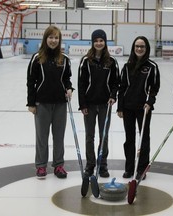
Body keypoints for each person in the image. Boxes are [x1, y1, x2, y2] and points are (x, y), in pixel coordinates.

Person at [26, 25, 73, 179]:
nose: (53, 40)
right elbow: (31, 82)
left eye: (56, 38)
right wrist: (31, 103)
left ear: (59, 40)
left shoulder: (64, 59)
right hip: (42, 104)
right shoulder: (37, 58)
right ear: (46, 39)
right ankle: (41, 166)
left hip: (60, 103)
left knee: (59, 136)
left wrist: (69, 88)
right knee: (42, 137)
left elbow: (67, 78)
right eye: (51, 37)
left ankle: (58, 165)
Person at [78, 29, 119, 178]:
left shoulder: (111, 61)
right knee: (90, 136)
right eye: (96, 40)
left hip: (104, 105)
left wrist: (113, 96)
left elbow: (116, 82)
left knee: (104, 136)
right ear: (92, 42)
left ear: (105, 42)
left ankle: (102, 164)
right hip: (89, 105)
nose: (99, 43)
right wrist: (82, 104)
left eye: (101, 40)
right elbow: (81, 84)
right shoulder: (86, 61)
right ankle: (90, 164)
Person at [117, 36, 160, 180]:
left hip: (144, 108)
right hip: (128, 107)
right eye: (137, 46)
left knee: (144, 139)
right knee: (129, 138)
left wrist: (150, 102)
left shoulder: (152, 67)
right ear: (133, 48)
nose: (139, 49)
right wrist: (120, 107)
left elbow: (154, 88)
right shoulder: (127, 66)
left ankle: (142, 168)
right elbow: (122, 88)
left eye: (142, 47)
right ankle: (129, 168)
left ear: (146, 49)